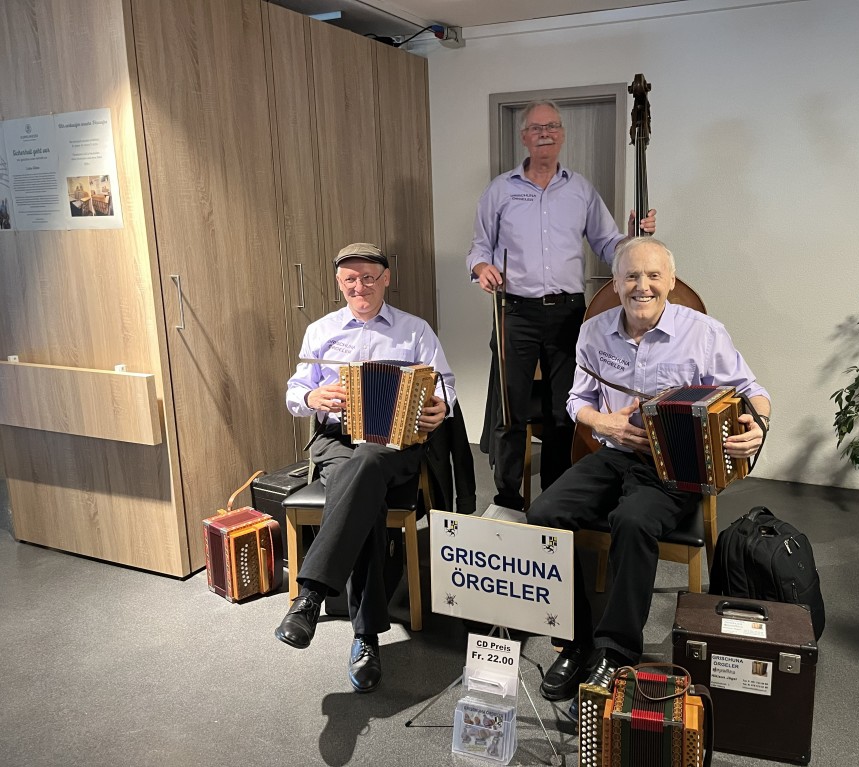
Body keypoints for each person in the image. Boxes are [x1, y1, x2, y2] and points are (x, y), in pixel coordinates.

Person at [525, 237, 771, 718]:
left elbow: (751, 390)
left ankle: (614, 653)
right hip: (615, 452)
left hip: (676, 466)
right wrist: (605, 423)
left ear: (670, 282)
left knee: (633, 520)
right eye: (632, 276)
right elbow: (577, 400)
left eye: (654, 276)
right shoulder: (593, 331)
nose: (643, 286)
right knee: (543, 514)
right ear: (615, 285)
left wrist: (757, 425)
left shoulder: (704, 332)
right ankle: (573, 642)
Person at [275, 242, 457, 694]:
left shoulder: (414, 330)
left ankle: (310, 595)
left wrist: (441, 406)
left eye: (369, 278)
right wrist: (312, 396)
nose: (360, 287)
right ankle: (366, 637)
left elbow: (446, 385)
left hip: (397, 442)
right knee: (363, 488)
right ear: (339, 284)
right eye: (350, 280)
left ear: (386, 279)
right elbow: (295, 392)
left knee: (368, 463)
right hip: (337, 441)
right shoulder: (320, 331)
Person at [467, 99, 656, 510]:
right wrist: (481, 267)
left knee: (564, 410)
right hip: (515, 312)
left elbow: (608, 244)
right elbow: (479, 247)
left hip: (569, 314)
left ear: (562, 134)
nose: (545, 134)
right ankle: (507, 499)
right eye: (536, 128)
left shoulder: (580, 189)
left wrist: (633, 238)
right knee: (509, 410)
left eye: (551, 126)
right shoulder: (500, 190)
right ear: (524, 137)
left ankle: (553, 498)